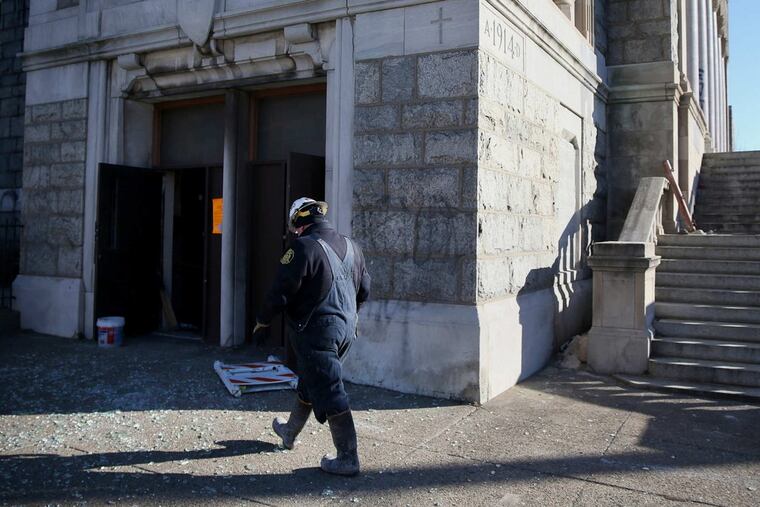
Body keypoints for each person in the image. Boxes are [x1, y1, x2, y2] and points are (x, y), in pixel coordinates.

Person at [252, 197, 370, 476]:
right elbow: (364, 291)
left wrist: (262, 322)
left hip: (318, 332)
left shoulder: (302, 248)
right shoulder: (353, 246)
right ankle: (289, 432)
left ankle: (347, 457)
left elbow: (280, 291)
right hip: (347, 331)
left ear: (298, 224)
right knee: (312, 378)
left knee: (330, 388)